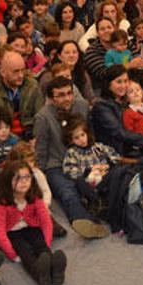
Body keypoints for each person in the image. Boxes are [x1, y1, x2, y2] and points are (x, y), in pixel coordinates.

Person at [32, 76, 109, 239]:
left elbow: (90, 135)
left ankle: (103, 212)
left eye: (69, 93)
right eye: (60, 95)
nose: (67, 98)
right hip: (57, 164)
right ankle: (85, 222)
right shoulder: (43, 117)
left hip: (83, 158)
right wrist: (41, 176)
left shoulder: (81, 106)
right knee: (69, 193)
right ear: (51, 98)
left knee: (98, 185)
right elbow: (41, 148)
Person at [0, 161, 67, 285]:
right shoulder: (3, 202)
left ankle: (55, 272)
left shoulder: (35, 197)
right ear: (8, 181)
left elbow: (46, 221)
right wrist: (12, 254)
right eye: (18, 178)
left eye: (27, 177)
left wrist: (46, 243)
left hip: (31, 227)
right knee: (25, 251)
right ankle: (40, 275)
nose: (24, 181)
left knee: (41, 246)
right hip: (11, 232)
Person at [0, 50, 44, 138]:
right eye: (15, 71)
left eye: (23, 70)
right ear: (3, 73)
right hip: (4, 139)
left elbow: (40, 116)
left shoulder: (33, 85)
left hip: (31, 134)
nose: (21, 75)